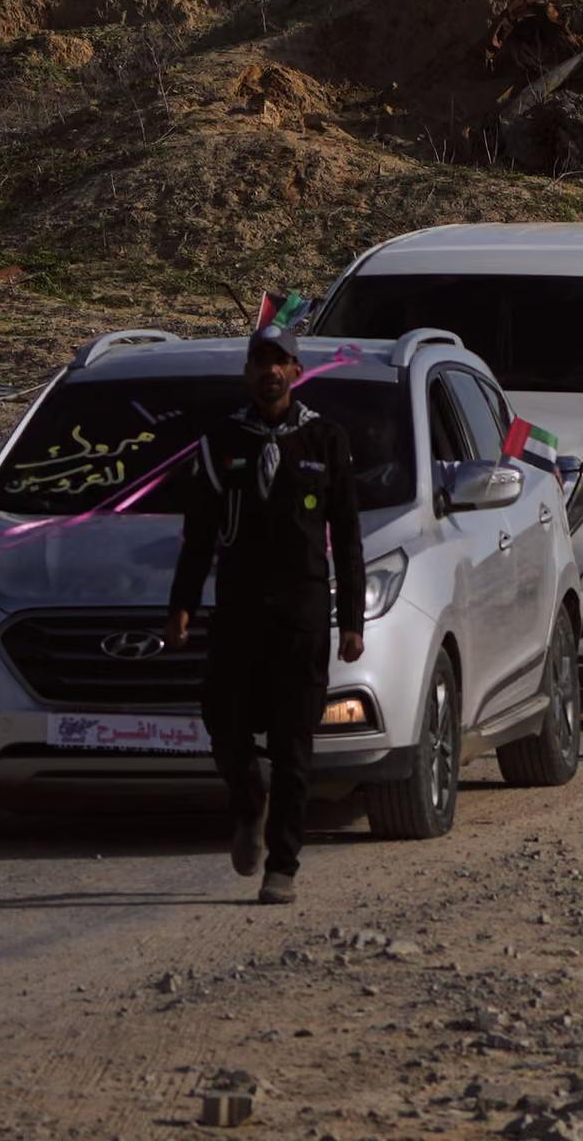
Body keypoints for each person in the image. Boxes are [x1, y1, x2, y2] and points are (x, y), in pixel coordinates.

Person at [169, 325, 365, 905]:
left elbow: (347, 536)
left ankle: (283, 865)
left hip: (302, 611)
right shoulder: (222, 441)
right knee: (224, 724)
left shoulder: (325, 440)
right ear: (248, 372)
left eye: (280, 362)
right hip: (239, 608)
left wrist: (352, 618)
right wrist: (181, 605)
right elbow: (199, 535)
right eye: (260, 362)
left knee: (293, 743)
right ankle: (249, 801)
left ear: (296, 371)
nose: (269, 372)